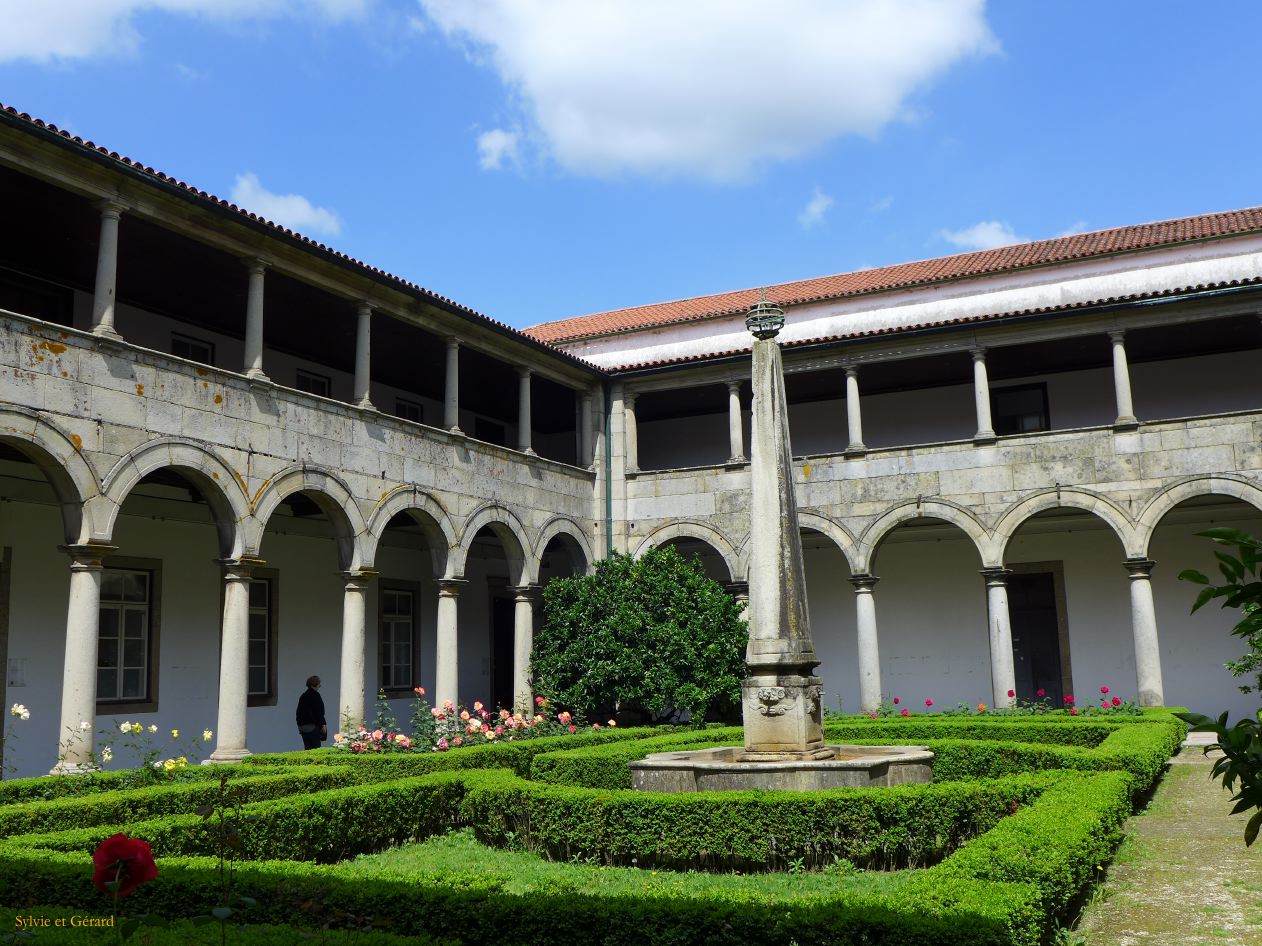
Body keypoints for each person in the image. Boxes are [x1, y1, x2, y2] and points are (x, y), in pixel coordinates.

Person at [296, 675, 326, 750]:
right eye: (319, 683)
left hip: (302, 726)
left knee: (307, 748)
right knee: (316, 749)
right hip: (312, 726)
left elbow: (298, 712)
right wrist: (323, 725)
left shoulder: (303, 695)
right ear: (314, 684)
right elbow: (318, 712)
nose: (320, 685)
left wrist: (299, 725)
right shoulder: (315, 695)